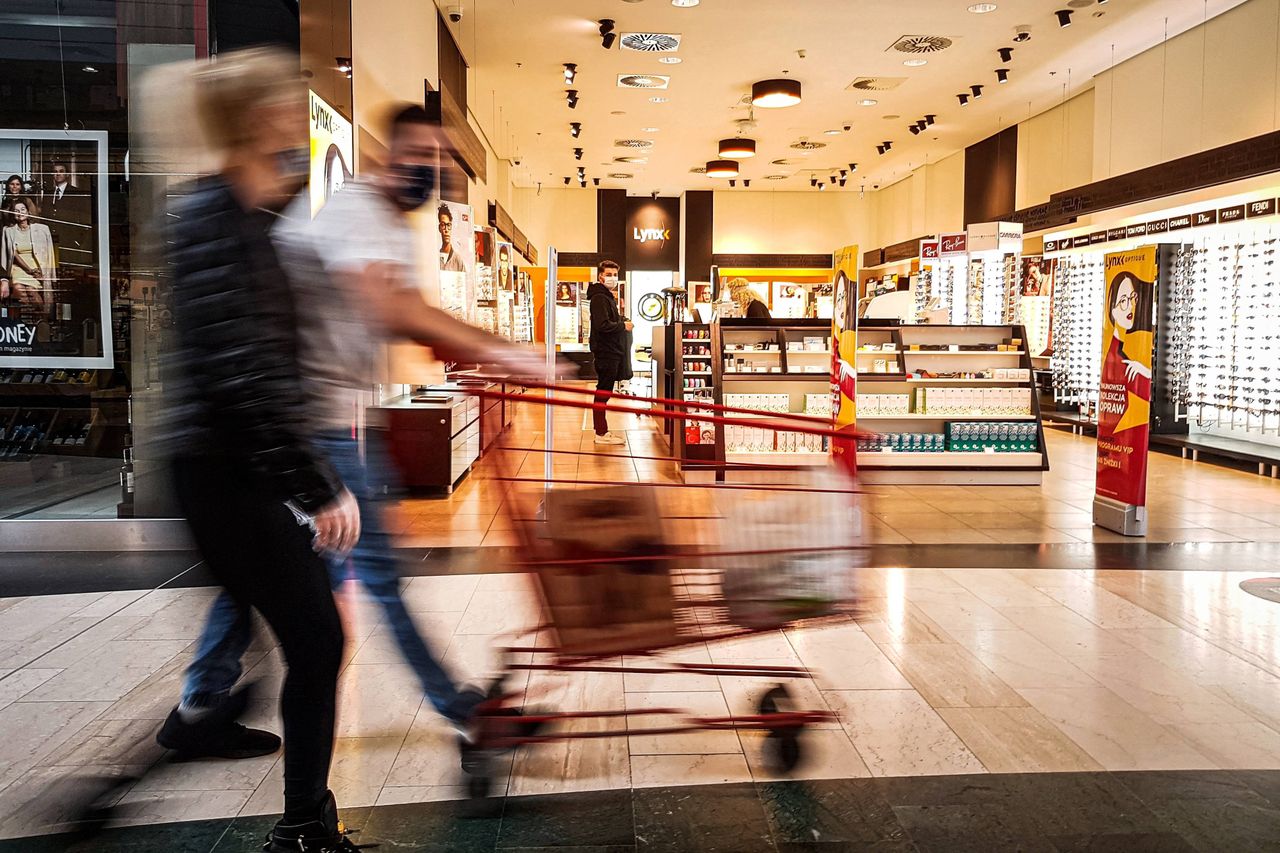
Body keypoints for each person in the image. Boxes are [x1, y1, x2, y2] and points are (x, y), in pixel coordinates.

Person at [166, 102, 545, 793]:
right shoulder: (354, 210)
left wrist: (459, 351)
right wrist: (504, 350)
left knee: (267, 569)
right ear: (387, 155)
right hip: (299, 424)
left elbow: (392, 312)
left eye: (438, 160)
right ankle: (463, 713)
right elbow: (387, 305)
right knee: (377, 573)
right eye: (417, 154)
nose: (426, 169)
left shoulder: (377, 221)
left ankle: (199, 701)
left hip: (316, 419)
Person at [160, 48, 361, 852]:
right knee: (315, 638)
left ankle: (208, 730)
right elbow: (240, 374)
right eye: (285, 104)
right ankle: (301, 827)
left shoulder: (245, 214)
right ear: (254, 118)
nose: (298, 116)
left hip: (236, 468)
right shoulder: (211, 219)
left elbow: (265, 364)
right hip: (224, 474)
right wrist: (313, 485)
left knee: (297, 637)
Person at [587, 259, 630, 445]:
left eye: (615, 275)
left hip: (610, 351)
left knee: (604, 391)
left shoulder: (606, 297)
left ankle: (602, 431)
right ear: (601, 277)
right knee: (603, 392)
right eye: (609, 275)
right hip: (606, 353)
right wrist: (623, 325)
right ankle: (601, 433)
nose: (613, 278)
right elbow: (602, 325)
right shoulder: (599, 298)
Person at [1, 197, 56, 309]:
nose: (20, 213)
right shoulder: (8, 231)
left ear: (28, 211)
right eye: (16, 211)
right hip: (19, 270)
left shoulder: (42, 229)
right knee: (19, 289)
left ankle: (42, 319)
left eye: (22, 209)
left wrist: (50, 276)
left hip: (37, 269)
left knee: (31, 291)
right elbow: (13, 255)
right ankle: (25, 319)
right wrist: (29, 271)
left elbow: (50, 254)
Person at [45, 160, 93, 262]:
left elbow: (85, 218)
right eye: (55, 171)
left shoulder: (76, 193)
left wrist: (78, 240)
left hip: (70, 241)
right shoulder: (48, 193)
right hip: (50, 241)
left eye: (61, 171)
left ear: (67, 174)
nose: (58, 174)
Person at [438, 203, 465, 272]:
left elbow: (464, 282)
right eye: (443, 225)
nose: (446, 230)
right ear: (439, 228)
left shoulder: (458, 260)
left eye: (448, 225)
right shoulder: (434, 258)